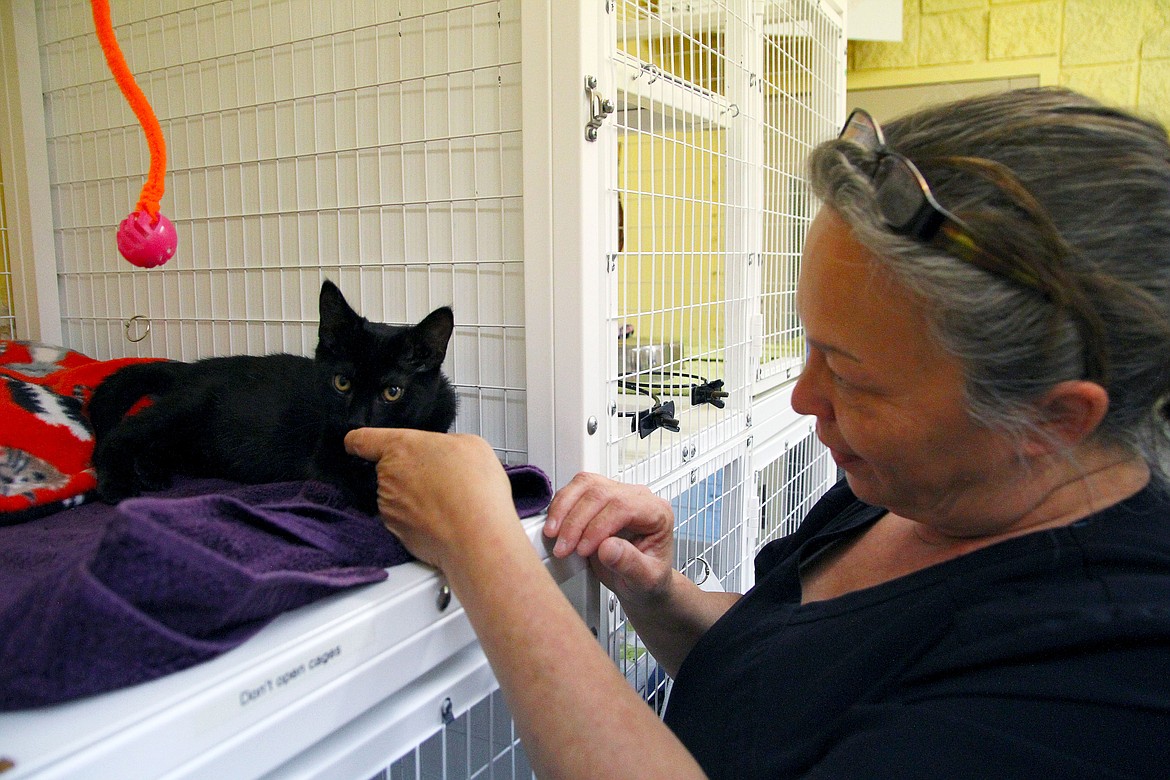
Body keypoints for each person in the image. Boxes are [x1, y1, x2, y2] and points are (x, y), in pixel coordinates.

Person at [345, 87, 1170, 778]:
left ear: (1050, 420)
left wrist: (480, 544)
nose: (805, 398)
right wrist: (660, 595)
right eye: (806, 345)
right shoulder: (921, 491)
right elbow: (795, 690)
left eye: (849, 374)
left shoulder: (1105, 680)